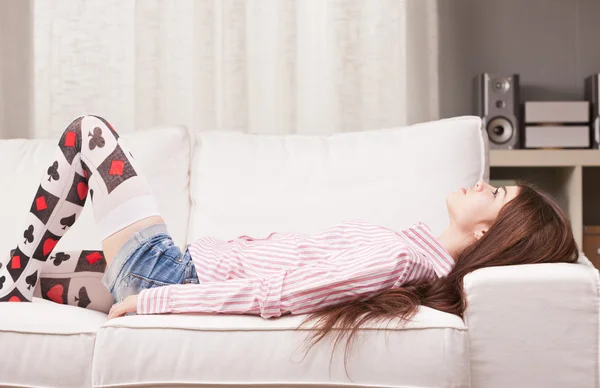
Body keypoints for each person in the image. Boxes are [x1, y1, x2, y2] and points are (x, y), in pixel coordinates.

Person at [0, 117, 579, 344]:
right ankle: (14, 278)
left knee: (88, 134)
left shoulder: (399, 261)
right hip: (173, 267)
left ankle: (13, 273)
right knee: (34, 281)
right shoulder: (410, 252)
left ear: (487, 237)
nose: (483, 185)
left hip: (168, 274)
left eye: (496, 195)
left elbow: (275, 296)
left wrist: (158, 301)